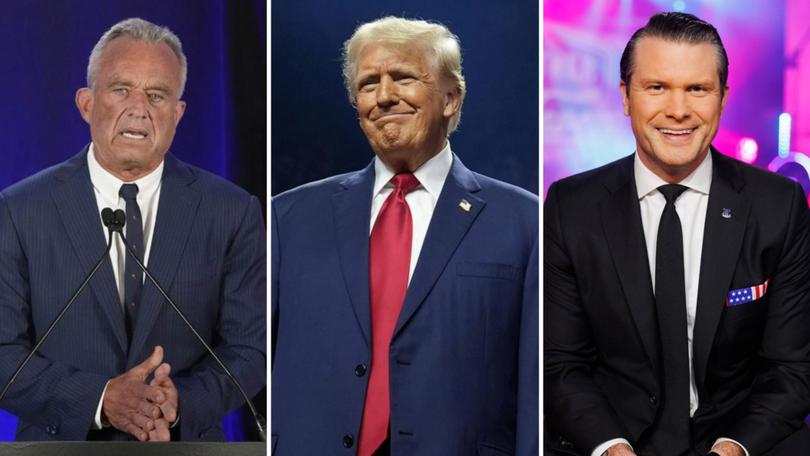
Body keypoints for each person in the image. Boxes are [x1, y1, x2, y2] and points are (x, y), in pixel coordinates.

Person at [545, 12, 810, 456]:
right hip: (612, 435)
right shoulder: (571, 207)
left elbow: (792, 369)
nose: (678, 110)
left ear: (723, 98)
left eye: (697, 89)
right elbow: (561, 365)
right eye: (656, 87)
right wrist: (611, 447)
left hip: (741, 437)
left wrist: (734, 448)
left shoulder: (777, 206)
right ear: (626, 96)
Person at [271, 16, 538, 455]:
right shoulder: (290, 216)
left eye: (403, 78)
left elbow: (533, 383)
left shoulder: (524, 222)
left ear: (451, 98)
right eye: (368, 83)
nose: (384, 96)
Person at [0, 18, 265, 441]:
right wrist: (99, 399)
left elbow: (251, 348)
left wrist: (179, 404)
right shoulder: (18, 210)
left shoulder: (231, 212)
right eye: (121, 89)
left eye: (157, 95)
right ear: (86, 103)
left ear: (177, 114)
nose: (138, 108)